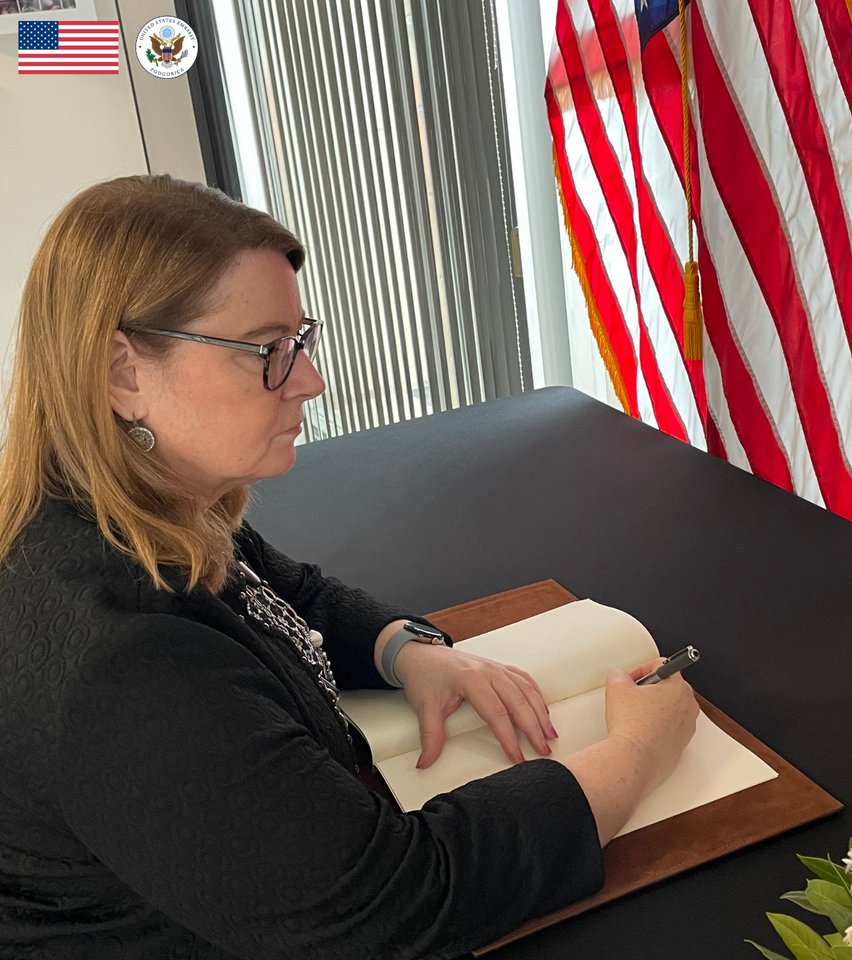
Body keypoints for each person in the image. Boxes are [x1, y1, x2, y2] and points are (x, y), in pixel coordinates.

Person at [0, 175, 699, 960]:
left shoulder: (119, 509)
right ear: (122, 373)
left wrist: (408, 652)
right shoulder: (125, 667)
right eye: (266, 351)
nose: (310, 381)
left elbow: (280, 593)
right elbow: (390, 906)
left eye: (302, 341)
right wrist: (636, 754)